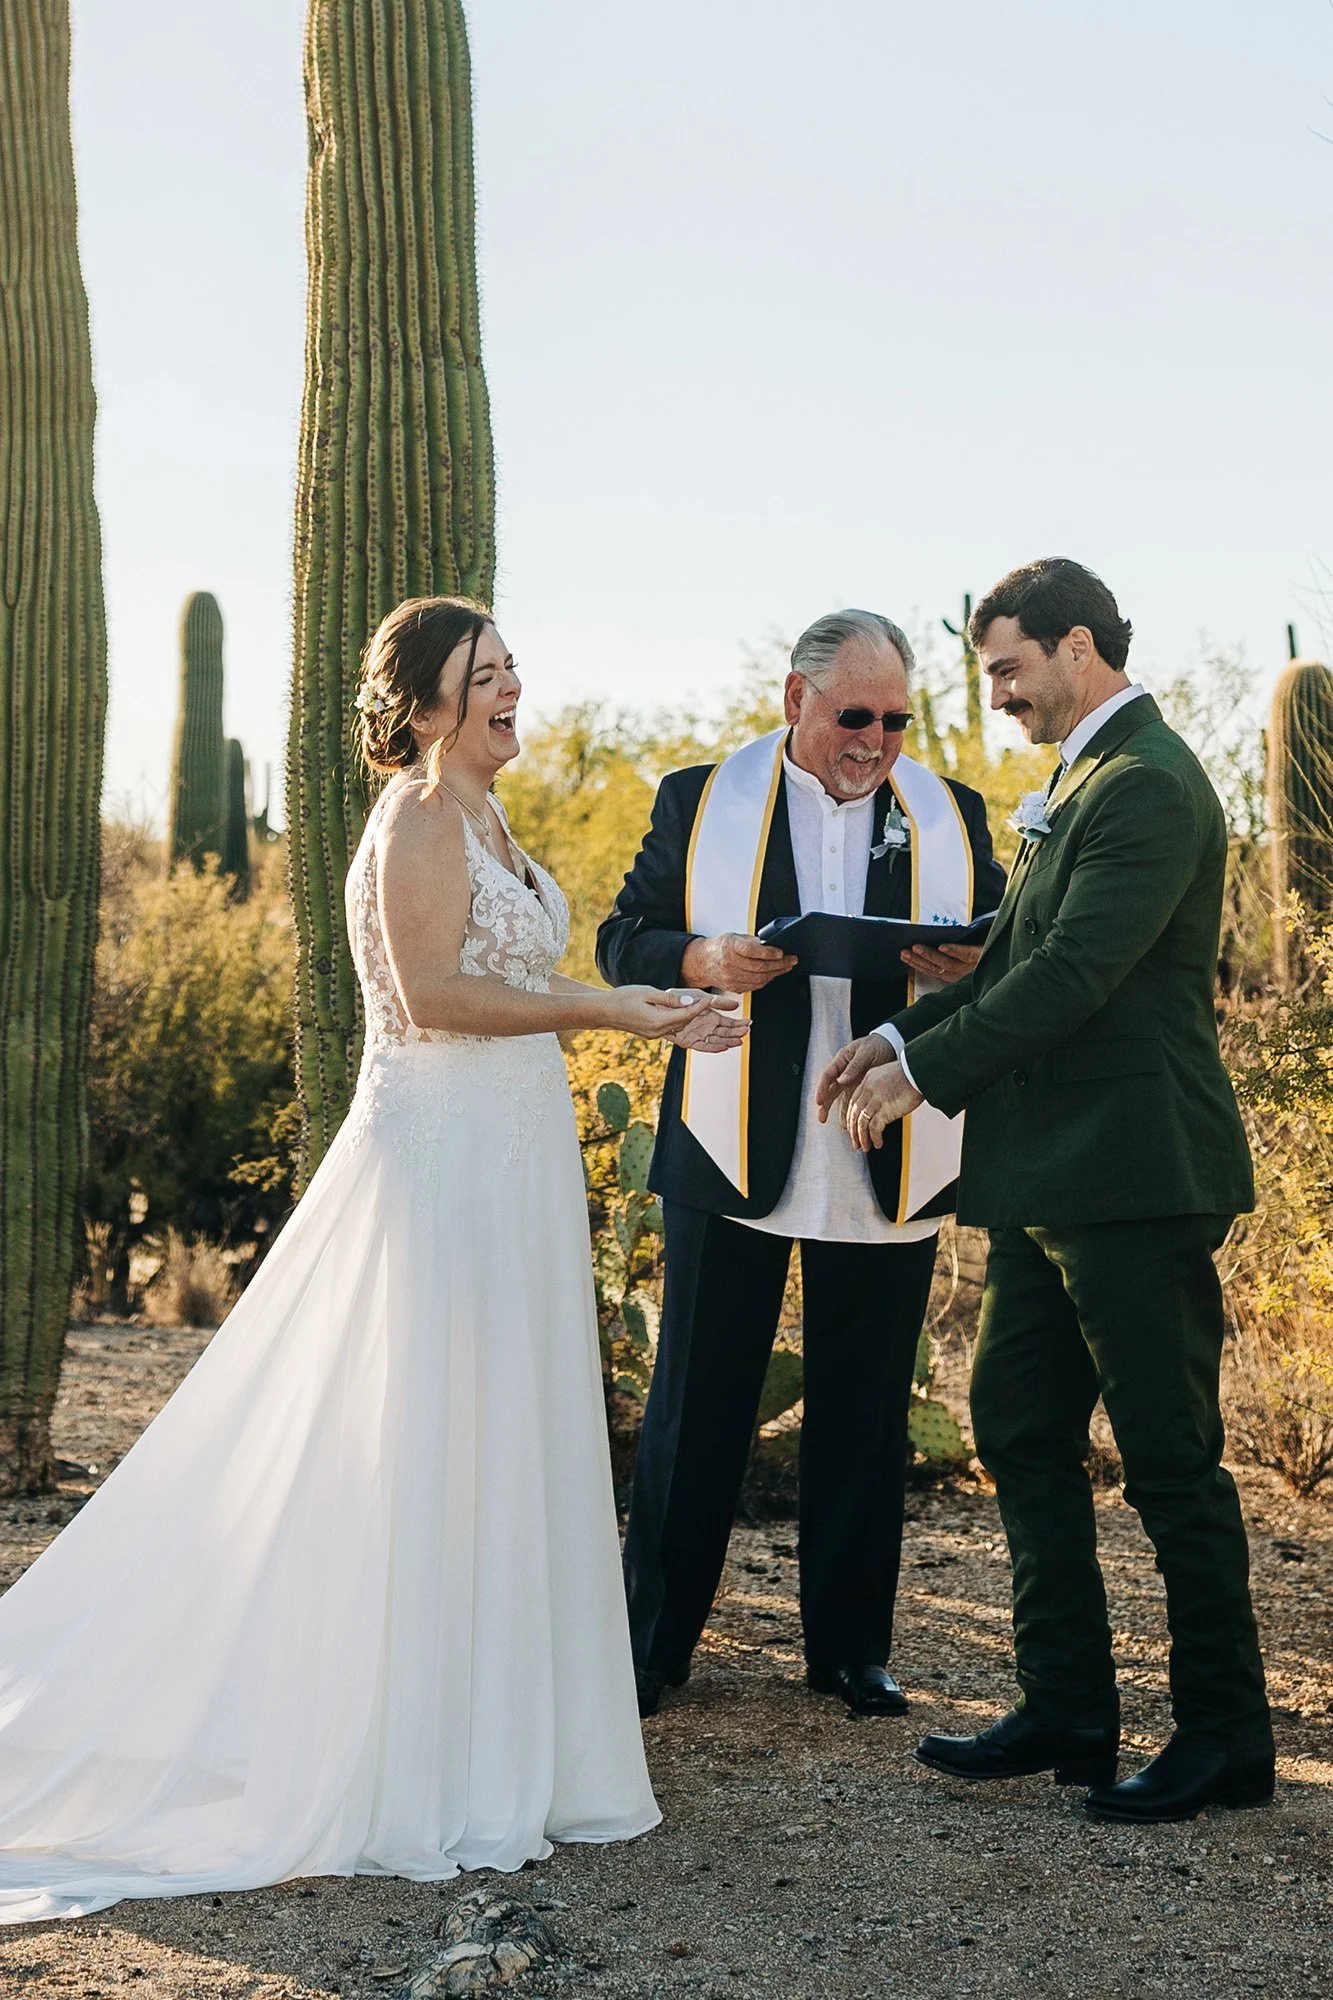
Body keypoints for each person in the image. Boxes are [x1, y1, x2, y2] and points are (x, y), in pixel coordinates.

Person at [0, 596, 746, 1924]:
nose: (513, 686)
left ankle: (504, 1741)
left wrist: (646, 1005)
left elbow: (505, 975)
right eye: (484, 674)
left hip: (506, 1158)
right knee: (426, 1436)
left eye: (515, 665)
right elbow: (433, 999)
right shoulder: (411, 816)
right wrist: (610, 1006)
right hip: (441, 1164)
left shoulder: (489, 817)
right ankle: (413, 1761)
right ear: (417, 708)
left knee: (503, 1434)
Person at [818, 558, 1272, 1824]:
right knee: (1017, 1424)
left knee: (1172, 1464)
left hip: (1131, 1172)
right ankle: (1067, 1703)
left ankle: (1228, 1739)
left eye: (1011, 668)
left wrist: (925, 1072)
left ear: (1080, 643)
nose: (1001, 696)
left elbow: (1073, 974)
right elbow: (1019, 954)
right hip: (1043, 1175)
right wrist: (895, 1039)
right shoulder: (1082, 775)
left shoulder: (1147, 783)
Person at [597, 609, 1006, 1719]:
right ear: (794, 699)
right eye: (853, 715)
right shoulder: (697, 800)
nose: (876, 741)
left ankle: (848, 1651)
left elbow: (1008, 955)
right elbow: (621, 937)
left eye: (895, 720)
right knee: (697, 1401)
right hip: (734, 1139)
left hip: (885, 1137)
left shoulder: (950, 815)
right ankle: (652, 1644)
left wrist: (964, 962)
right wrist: (701, 955)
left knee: (865, 1411)